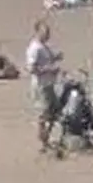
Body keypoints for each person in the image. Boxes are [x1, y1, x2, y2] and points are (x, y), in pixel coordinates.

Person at [27, 20, 65, 153]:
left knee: (55, 112)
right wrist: (50, 69)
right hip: (41, 86)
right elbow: (32, 69)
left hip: (49, 85)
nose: (48, 35)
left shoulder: (44, 46)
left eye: (48, 32)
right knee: (43, 115)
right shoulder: (35, 48)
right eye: (45, 32)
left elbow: (46, 60)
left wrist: (55, 58)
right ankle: (42, 143)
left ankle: (46, 138)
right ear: (38, 32)